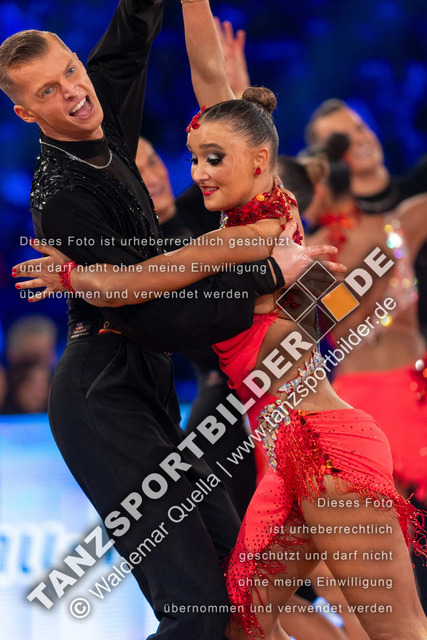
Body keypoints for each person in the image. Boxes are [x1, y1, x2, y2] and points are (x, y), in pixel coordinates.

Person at [13, 4, 427, 640]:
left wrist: (73, 278)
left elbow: (138, 282)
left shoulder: (251, 235)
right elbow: (211, 78)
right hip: (286, 455)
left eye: (212, 159)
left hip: (323, 446)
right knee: (244, 618)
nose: (198, 173)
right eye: (194, 158)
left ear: (259, 160)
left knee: (396, 629)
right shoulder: (259, 214)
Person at [136, 135, 257, 519]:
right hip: (222, 392)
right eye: (138, 172)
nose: (153, 177)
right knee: (242, 527)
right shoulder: (136, 256)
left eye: (153, 162)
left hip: (278, 374)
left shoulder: (208, 204)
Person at [304, 99, 427, 339]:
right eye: (341, 140)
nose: (358, 140)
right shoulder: (328, 241)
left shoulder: (421, 186)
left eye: (360, 128)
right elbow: (341, 324)